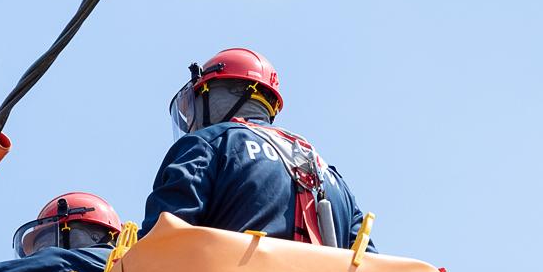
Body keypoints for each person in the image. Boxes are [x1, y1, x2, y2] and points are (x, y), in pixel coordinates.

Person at [142, 47, 373, 251]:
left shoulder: (209, 144)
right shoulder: (331, 177)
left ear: (219, 94)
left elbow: (160, 241)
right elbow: (369, 269)